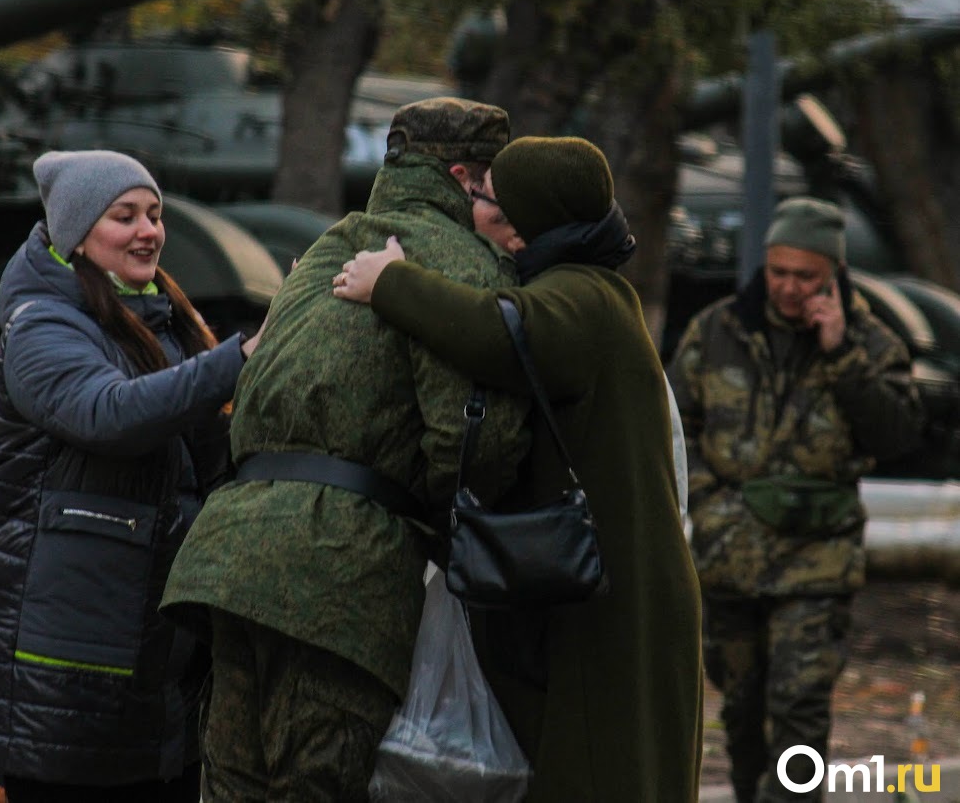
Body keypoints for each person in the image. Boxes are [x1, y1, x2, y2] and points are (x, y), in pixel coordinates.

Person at [160, 97, 532, 802]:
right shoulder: (462, 264)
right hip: (339, 570)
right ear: (463, 176)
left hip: (230, 555)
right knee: (315, 780)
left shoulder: (322, 253)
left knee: (236, 783)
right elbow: (473, 444)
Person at [334, 135, 704, 802]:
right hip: (606, 586)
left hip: (606, 599)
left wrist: (390, 281)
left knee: (599, 769)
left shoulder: (583, 297)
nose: (477, 207)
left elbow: (502, 334)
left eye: (489, 198)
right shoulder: (594, 289)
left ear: (530, 218)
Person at [0, 150, 261, 802]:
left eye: (154, 214)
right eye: (124, 216)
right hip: (60, 664)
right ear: (76, 232)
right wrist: (241, 357)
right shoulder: (42, 323)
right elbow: (107, 413)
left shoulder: (167, 321)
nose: (148, 230)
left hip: (150, 660)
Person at [667, 195, 924, 802]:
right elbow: (678, 430)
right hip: (729, 559)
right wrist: (711, 504)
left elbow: (898, 436)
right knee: (741, 708)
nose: (787, 287)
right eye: (778, 271)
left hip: (816, 561)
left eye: (804, 275)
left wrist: (841, 355)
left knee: (799, 708)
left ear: (833, 273)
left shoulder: (871, 343)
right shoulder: (718, 330)